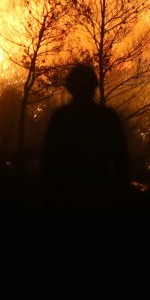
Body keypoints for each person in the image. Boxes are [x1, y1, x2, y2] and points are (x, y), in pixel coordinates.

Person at [41, 64, 131, 212]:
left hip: (66, 198)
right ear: (94, 86)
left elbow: (48, 162)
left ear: (70, 88)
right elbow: (121, 162)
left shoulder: (61, 118)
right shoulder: (107, 118)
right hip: (101, 195)